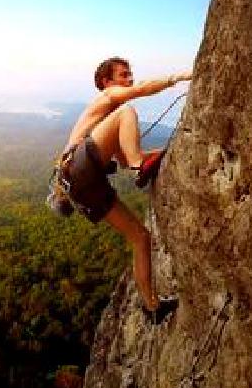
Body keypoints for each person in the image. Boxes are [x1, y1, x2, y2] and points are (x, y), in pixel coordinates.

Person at [50, 56, 191, 323]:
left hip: (79, 184)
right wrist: (178, 78)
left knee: (140, 237)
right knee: (127, 111)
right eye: (123, 75)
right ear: (107, 82)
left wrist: (168, 152)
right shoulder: (109, 98)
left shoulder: (107, 128)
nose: (130, 80)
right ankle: (151, 305)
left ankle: (152, 307)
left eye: (130, 75)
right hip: (78, 168)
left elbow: (127, 160)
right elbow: (140, 92)